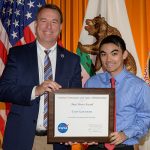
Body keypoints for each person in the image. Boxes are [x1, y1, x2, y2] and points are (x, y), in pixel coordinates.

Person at [0, 4, 81, 150]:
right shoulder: (17, 54)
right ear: (36, 25)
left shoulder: (72, 60)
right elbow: (3, 90)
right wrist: (35, 90)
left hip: (58, 142)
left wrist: (74, 131)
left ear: (61, 27)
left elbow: (75, 101)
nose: (49, 26)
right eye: (44, 21)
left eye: (54, 21)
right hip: (21, 139)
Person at [84, 35, 150, 150]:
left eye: (114, 54)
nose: (108, 59)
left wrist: (125, 134)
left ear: (124, 55)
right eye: (104, 54)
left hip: (125, 145)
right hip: (95, 146)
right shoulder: (91, 83)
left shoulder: (139, 86)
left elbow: (146, 117)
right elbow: (84, 113)